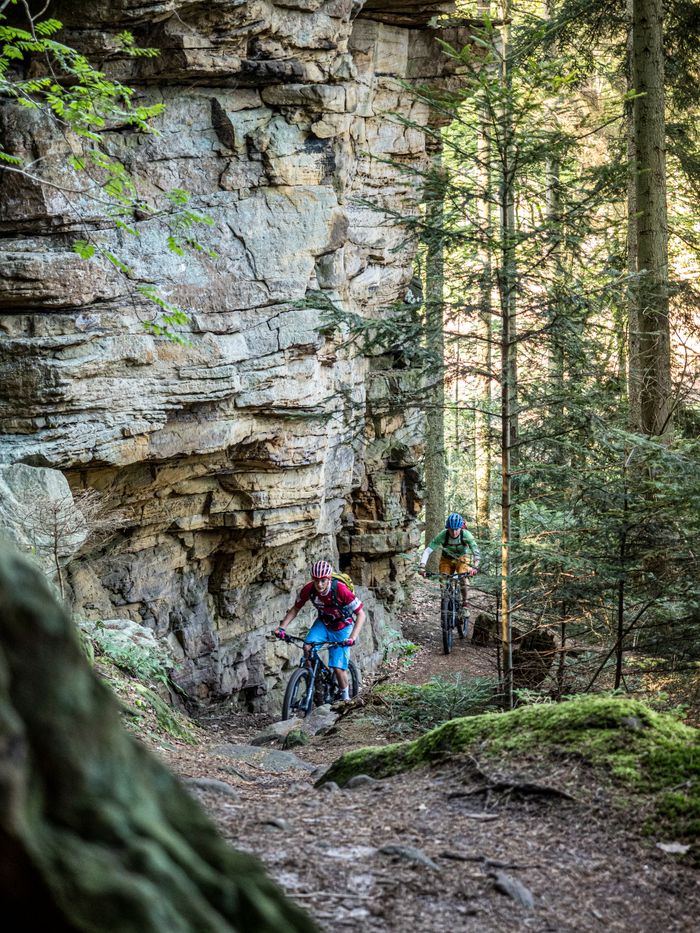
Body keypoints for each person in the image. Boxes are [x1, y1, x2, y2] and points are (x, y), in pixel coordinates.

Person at [273, 559, 365, 701]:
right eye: (316, 581)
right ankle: (314, 682)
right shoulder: (308, 589)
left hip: (343, 626)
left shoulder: (340, 589)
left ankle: (346, 700)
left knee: (338, 668)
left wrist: (352, 637)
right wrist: (282, 627)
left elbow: (361, 614)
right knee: (307, 648)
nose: (319, 585)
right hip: (323, 623)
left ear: (329, 579)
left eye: (323, 581)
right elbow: (295, 608)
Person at [418, 513, 480, 624]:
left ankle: (465, 604)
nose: (454, 532)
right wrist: (422, 566)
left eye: (456, 529)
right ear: (448, 528)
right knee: (443, 579)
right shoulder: (443, 535)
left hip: (461, 559)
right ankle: (446, 604)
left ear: (460, 527)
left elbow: (476, 551)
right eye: (451, 529)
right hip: (446, 559)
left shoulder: (466, 535)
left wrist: (475, 566)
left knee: (463, 577)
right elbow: (428, 550)